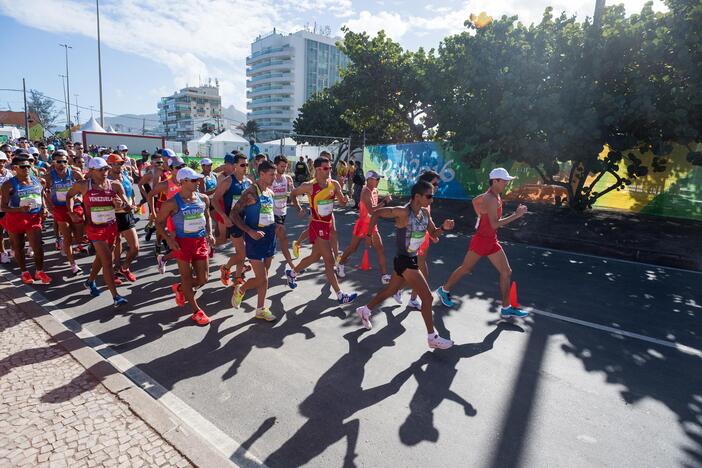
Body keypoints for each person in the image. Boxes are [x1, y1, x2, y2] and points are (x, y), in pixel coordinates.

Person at [355, 180, 455, 349]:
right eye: (429, 196)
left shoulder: (425, 213)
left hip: (413, 258)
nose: (432, 199)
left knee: (390, 290)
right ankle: (432, 337)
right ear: (417, 196)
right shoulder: (402, 212)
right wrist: (369, 234)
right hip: (404, 261)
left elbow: (434, 234)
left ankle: (365, 310)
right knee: (428, 297)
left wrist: (443, 228)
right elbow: (376, 213)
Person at [435, 168, 529, 318]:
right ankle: (444, 290)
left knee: (506, 272)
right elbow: (494, 224)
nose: (507, 183)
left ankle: (506, 308)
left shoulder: (493, 195)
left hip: (491, 240)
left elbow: (475, 201)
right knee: (466, 268)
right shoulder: (490, 198)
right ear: (495, 181)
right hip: (482, 240)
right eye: (504, 180)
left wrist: (480, 216)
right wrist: (516, 215)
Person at [287, 155, 357, 304]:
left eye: (330, 168)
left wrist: (345, 198)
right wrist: (299, 208)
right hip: (317, 225)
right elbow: (293, 194)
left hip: (328, 224)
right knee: (329, 260)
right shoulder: (309, 186)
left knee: (315, 257)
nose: (329, 171)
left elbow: (343, 203)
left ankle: (292, 272)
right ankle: (340, 295)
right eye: (326, 168)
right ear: (317, 170)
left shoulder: (335, 184)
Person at [66, 157, 129, 306]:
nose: (105, 172)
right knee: (107, 260)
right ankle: (116, 297)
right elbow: (69, 195)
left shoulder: (115, 185)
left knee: (101, 259)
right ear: (91, 171)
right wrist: (70, 211)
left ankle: (89, 281)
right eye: (101, 169)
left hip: (111, 228)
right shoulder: (83, 186)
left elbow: (128, 208)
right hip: (94, 229)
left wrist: (121, 205)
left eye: (106, 169)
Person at [156, 167, 214, 325]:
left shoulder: (203, 198)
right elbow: (158, 223)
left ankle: (180, 289)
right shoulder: (172, 203)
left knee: (203, 279)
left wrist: (210, 233)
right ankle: (196, 311)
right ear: (183, 182)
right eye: (194, 180)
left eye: (198, 179)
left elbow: (207, 216)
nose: (198, 182)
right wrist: (169, 239)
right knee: (187, 279)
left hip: (200, 241)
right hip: (182, 244)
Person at [230, 160, 278, 321]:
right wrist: (249, 231)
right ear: (262, 174)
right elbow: (234, 214)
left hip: (269, 237)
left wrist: (275, 225)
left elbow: (268, 213)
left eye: (275, 174)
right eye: (271, 174)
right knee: (261, 278)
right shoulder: (251, 193)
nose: (274, 177)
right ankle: (241, 289)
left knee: (264, 276)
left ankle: (260, 309)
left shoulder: (269, 192)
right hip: (254, 239)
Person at [0, 155, 51, 284]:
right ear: (15, 168)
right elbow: (3, 207)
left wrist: (44, 208)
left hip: (33, 219)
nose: (27, 169)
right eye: (23, 166)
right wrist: (19, 209)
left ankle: (39, 271)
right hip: (15, 219)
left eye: (29, 166)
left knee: (38, 247)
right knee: (19, 247)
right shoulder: (8, 185)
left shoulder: (37, 180)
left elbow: (41, 194)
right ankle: (24, 272)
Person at [336, 170, 392, 283]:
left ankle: (384, 276)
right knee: (353, 248)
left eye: (379, 179)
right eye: (377, 179)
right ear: (369, 180)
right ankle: (340, 264)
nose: (378, 181)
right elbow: (372, 210)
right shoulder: (365, 192)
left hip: (372, 225)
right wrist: (385, 202)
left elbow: (375, 208)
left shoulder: (375, 190)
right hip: (362, 225)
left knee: (380, 249)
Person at [212, 153, 252, 285]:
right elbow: (214, 200)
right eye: (242, 165)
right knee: (242, 252)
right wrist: (224, 217)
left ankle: (238, 277)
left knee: (241, 251)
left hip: (246, 221)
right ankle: (226, 268)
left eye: (246, 164)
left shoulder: (248, 182)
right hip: (233, 221)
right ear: (235, 166)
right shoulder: (228, 181)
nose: (245, 167)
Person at [44, 150, 85, 275]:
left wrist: (81, 197)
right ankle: (73, 265)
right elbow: (44, 191)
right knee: (67, 236)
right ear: (54, 162)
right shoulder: (50, 176)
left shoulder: (75, 173)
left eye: (64, 161)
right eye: (58, 161)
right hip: (60, 208)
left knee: (79, 237)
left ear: (68, 161)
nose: (62, 164)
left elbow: (84, 189)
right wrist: (49, 206)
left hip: (75, 206)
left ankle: (72, 244)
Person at [147, 155, 186, 273]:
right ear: (170, 169)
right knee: (180, 246)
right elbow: (150, 195)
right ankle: (184, 272)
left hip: (187, 217)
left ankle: (163, 258)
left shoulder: (187, 180)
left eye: (183, 166)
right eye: (177, 167)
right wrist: (153, 212)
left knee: (186, 245)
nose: (181, 169)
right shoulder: (165, 184)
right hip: (173, 219)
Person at [107, 153, 139, 282]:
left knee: (135, 247)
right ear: (109, 165)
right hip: (112, 215)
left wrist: (134, 203)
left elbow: (131, 193)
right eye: (116, 163)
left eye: (121, 163)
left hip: (126, 213)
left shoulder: (127, 177)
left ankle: (124, 268)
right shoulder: (106, 180)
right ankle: (115, 270)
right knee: (115, 244)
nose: (119, 165)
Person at [270, 155, 296, 271]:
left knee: (274, 238)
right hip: (272, 212)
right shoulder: (271, 179)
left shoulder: (288, 179)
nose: (284, 169)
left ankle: (255, 258)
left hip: (283, 211)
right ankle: (292, 266)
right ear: (275, 166)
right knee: (283, 237)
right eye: (282, 166)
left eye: (285, 166)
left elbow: (293, 193)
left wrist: (292, 191)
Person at [0, 151, 12, 264]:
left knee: (12, 231)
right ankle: (3, 253)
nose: (1, 163)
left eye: (3, 161)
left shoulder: (10, 174)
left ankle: (13, 250)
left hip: (9, 207)